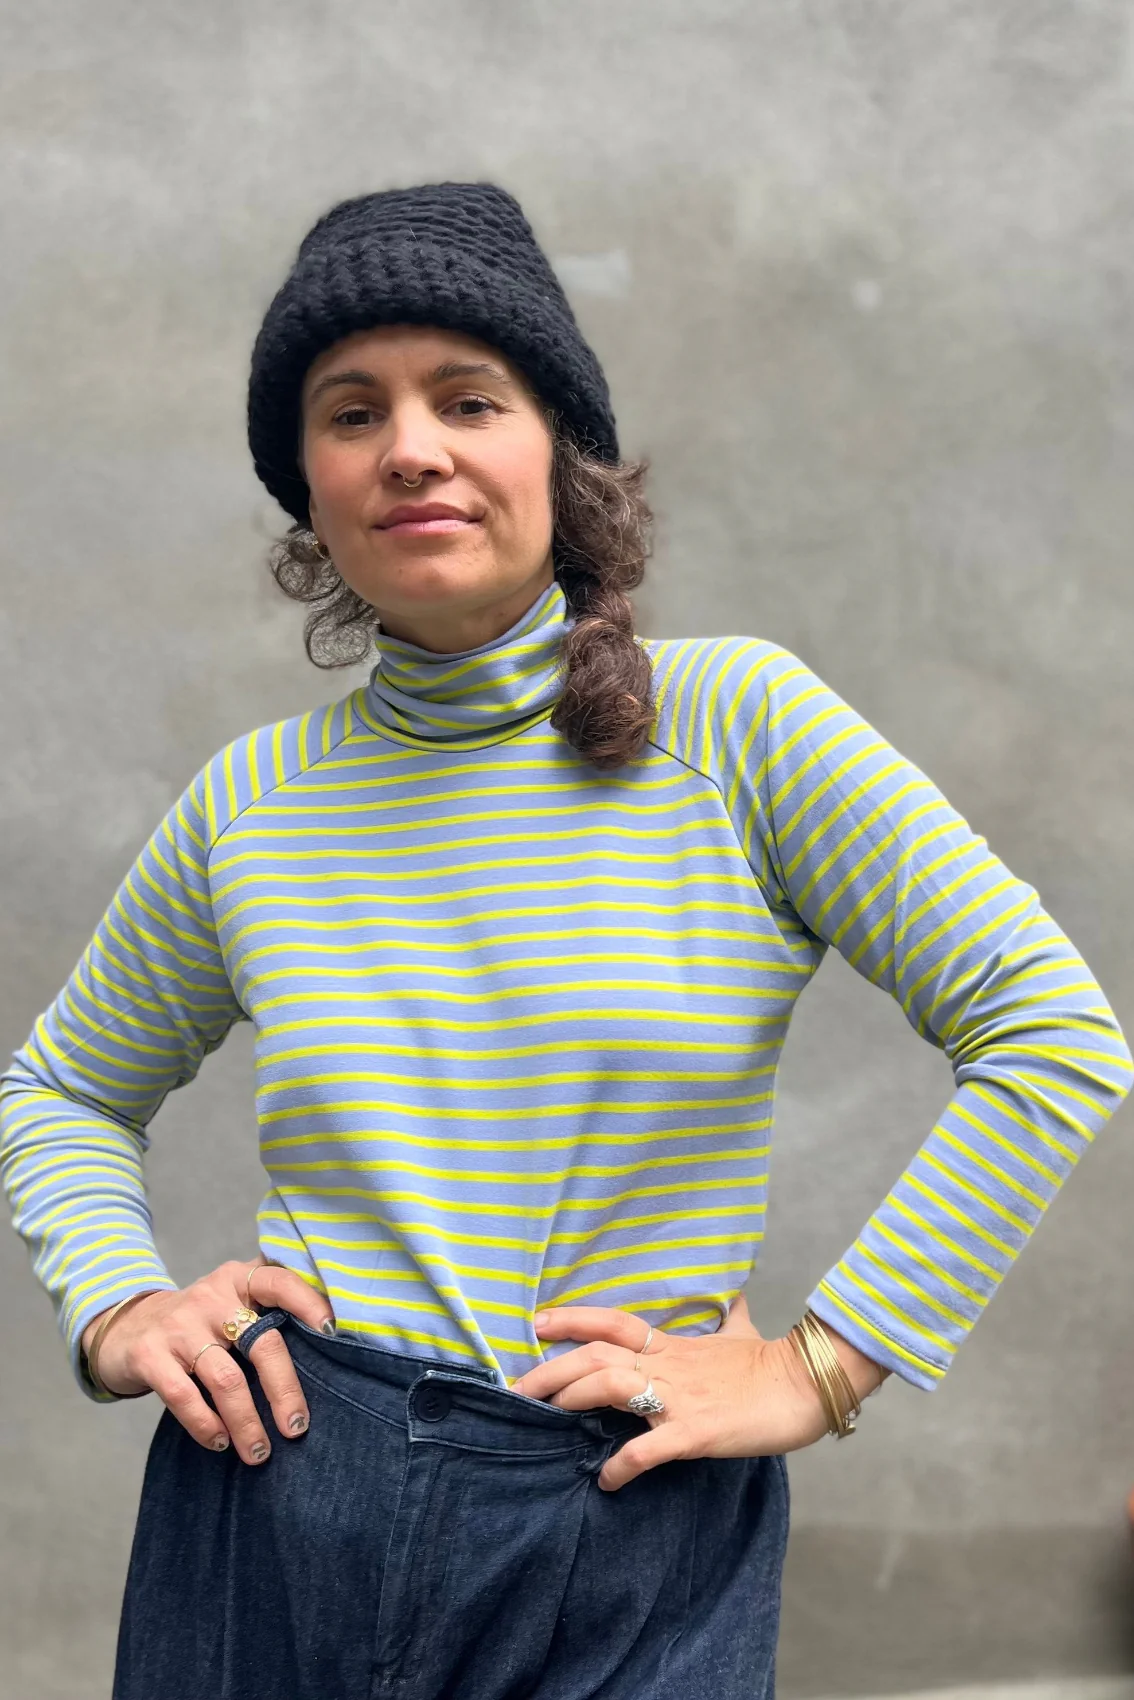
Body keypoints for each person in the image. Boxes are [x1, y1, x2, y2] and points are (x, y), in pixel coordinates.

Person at [1, 182, 1129, 1700]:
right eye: (351, 412)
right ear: (308, 485)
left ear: (559, 452)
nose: (410, 447)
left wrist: (822, 1366)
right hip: (275, 1509)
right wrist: (121, 1308)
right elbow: (61, 1091)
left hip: (623, 1525)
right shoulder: (248, 806)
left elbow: (1051, 1034)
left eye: (468, 399)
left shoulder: (734, 727)